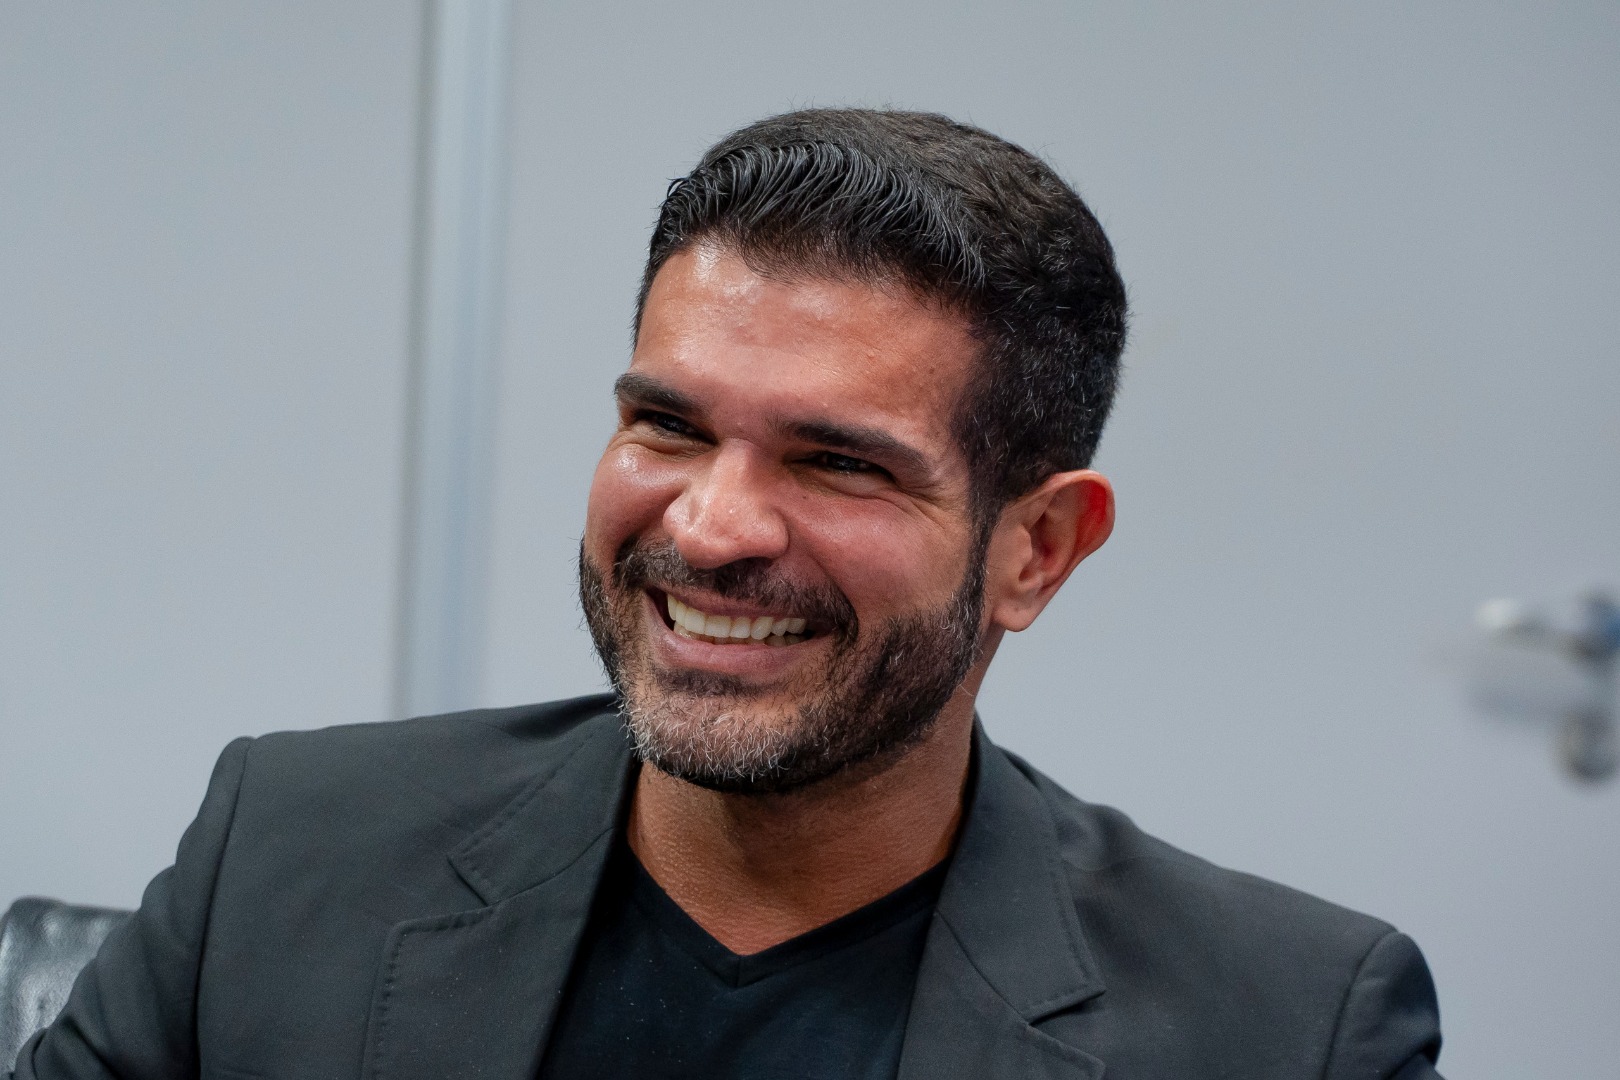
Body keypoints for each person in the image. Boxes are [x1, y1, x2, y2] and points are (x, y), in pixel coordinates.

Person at [8, 109, 1444, 1080]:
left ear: (1038, 549)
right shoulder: (286, 856)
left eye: (838, 462)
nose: (709, 526)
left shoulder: (1288, 1028)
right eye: (669, 426)